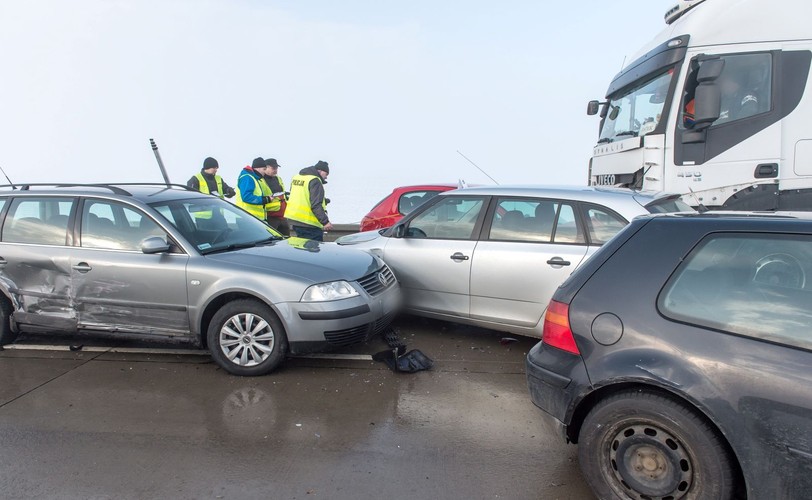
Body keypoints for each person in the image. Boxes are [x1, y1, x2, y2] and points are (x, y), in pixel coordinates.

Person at [286, 160, 332, 241]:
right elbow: (316, 205)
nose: (326, 177)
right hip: (309, 223)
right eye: (326, 174)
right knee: (314, 251)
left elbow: (299, 195)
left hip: (295, 220)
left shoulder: (297, 177)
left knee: (302, 249)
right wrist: (325, 222)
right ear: (320, 171)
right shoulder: (315, 180)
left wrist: (324, 200)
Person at [235, 157, 273, 221]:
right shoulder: (247, 177)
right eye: (264, 169)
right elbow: (246, 197)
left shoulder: (254, 178)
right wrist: (265, 199)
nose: (265, 172)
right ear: (257, 168)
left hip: (252, 218)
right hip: (246, 217)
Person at [262, 158, 290, 236]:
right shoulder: (262, 180)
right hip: (270, 215)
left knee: (286, 238)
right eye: (273, 168)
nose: (276, 170)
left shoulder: (278, 178)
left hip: (282, 214)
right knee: (271, 238)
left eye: (277, 168)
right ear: (266, 167)